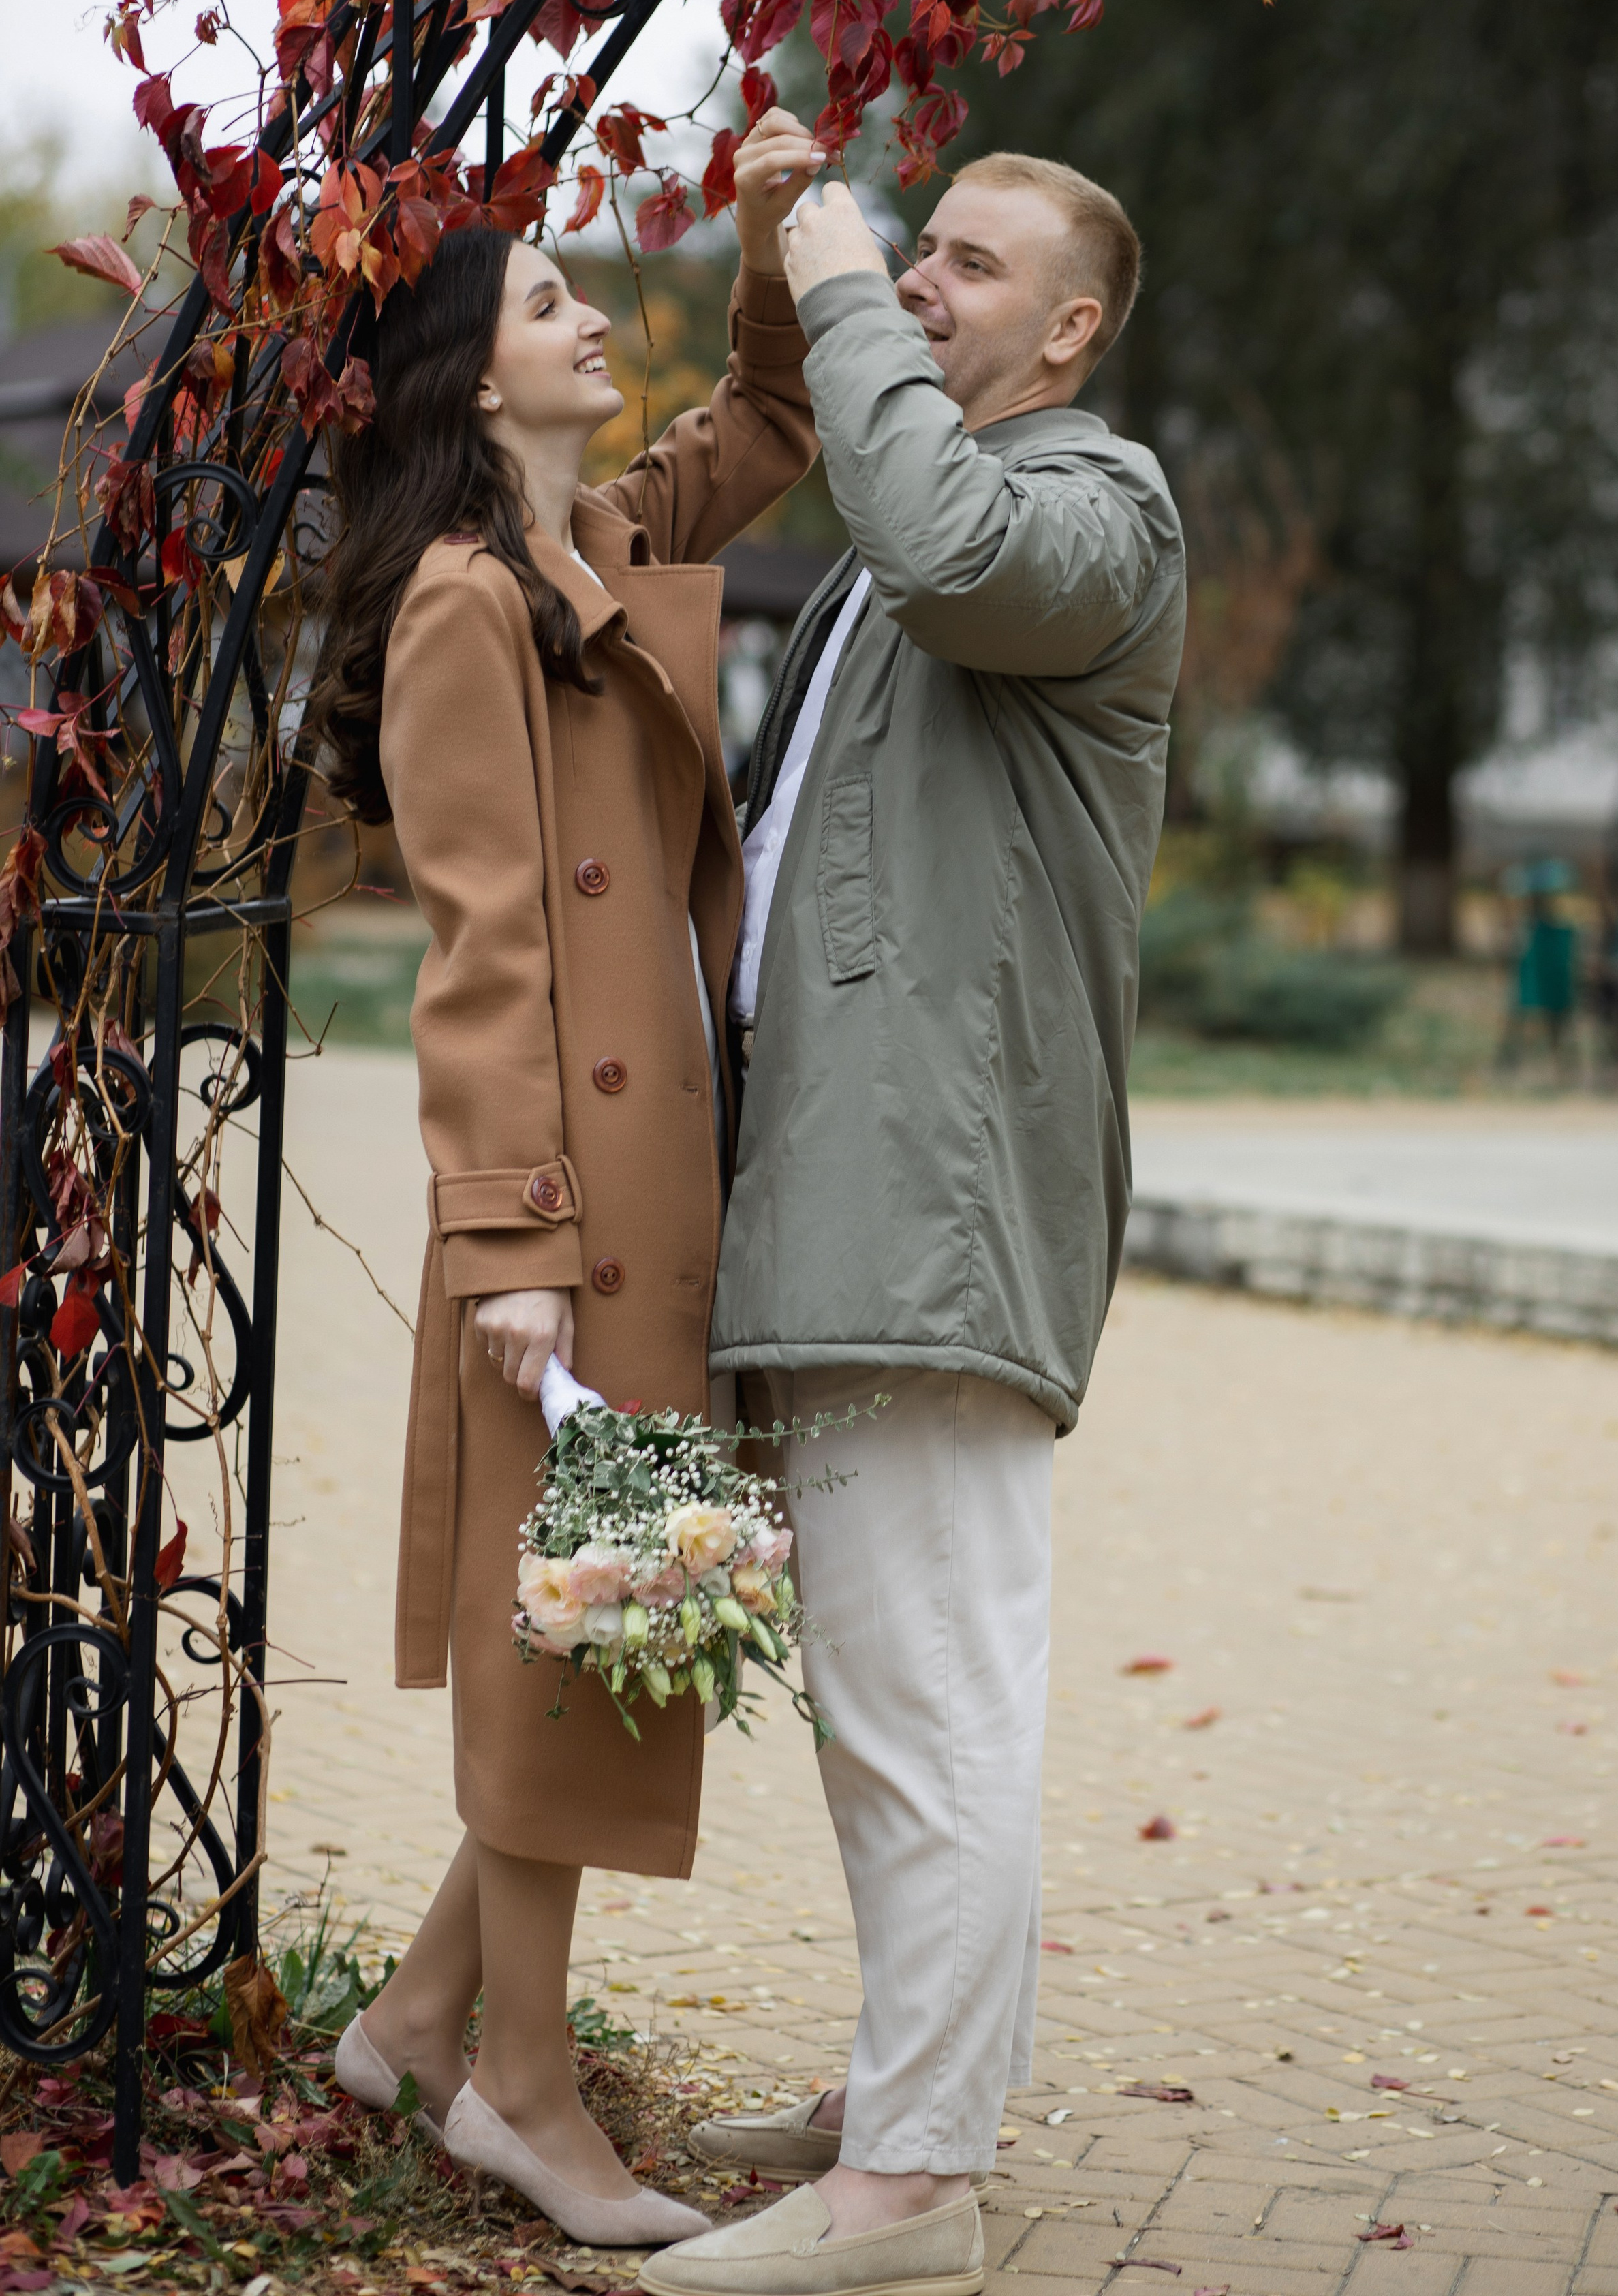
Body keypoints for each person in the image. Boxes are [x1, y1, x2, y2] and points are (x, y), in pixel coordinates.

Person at [645, 155, 1187, 2296]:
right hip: (857, 1189)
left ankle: (913, 2194)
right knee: (897, 1695)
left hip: (937, 1203)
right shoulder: (923, 512)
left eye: (974, 263)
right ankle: (910, 2099)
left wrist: (838, 275)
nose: (924, 285)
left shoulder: (1096, 509)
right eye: (922, 243)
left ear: (1067, 331)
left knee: (931, 1697)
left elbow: (951, 548)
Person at [301, 110, 823, 2244]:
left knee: (615, 1620)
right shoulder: (458, 603)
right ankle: (522, 2090)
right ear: (468, 371)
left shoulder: (592, 539)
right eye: (545, 301)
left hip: (654, 1201)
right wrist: (509, 1237)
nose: (589, 315)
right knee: (578, 1636)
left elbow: (778, 411)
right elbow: (484, 942)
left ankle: (425, 2023)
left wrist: (785, 233)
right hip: (567, 1223)